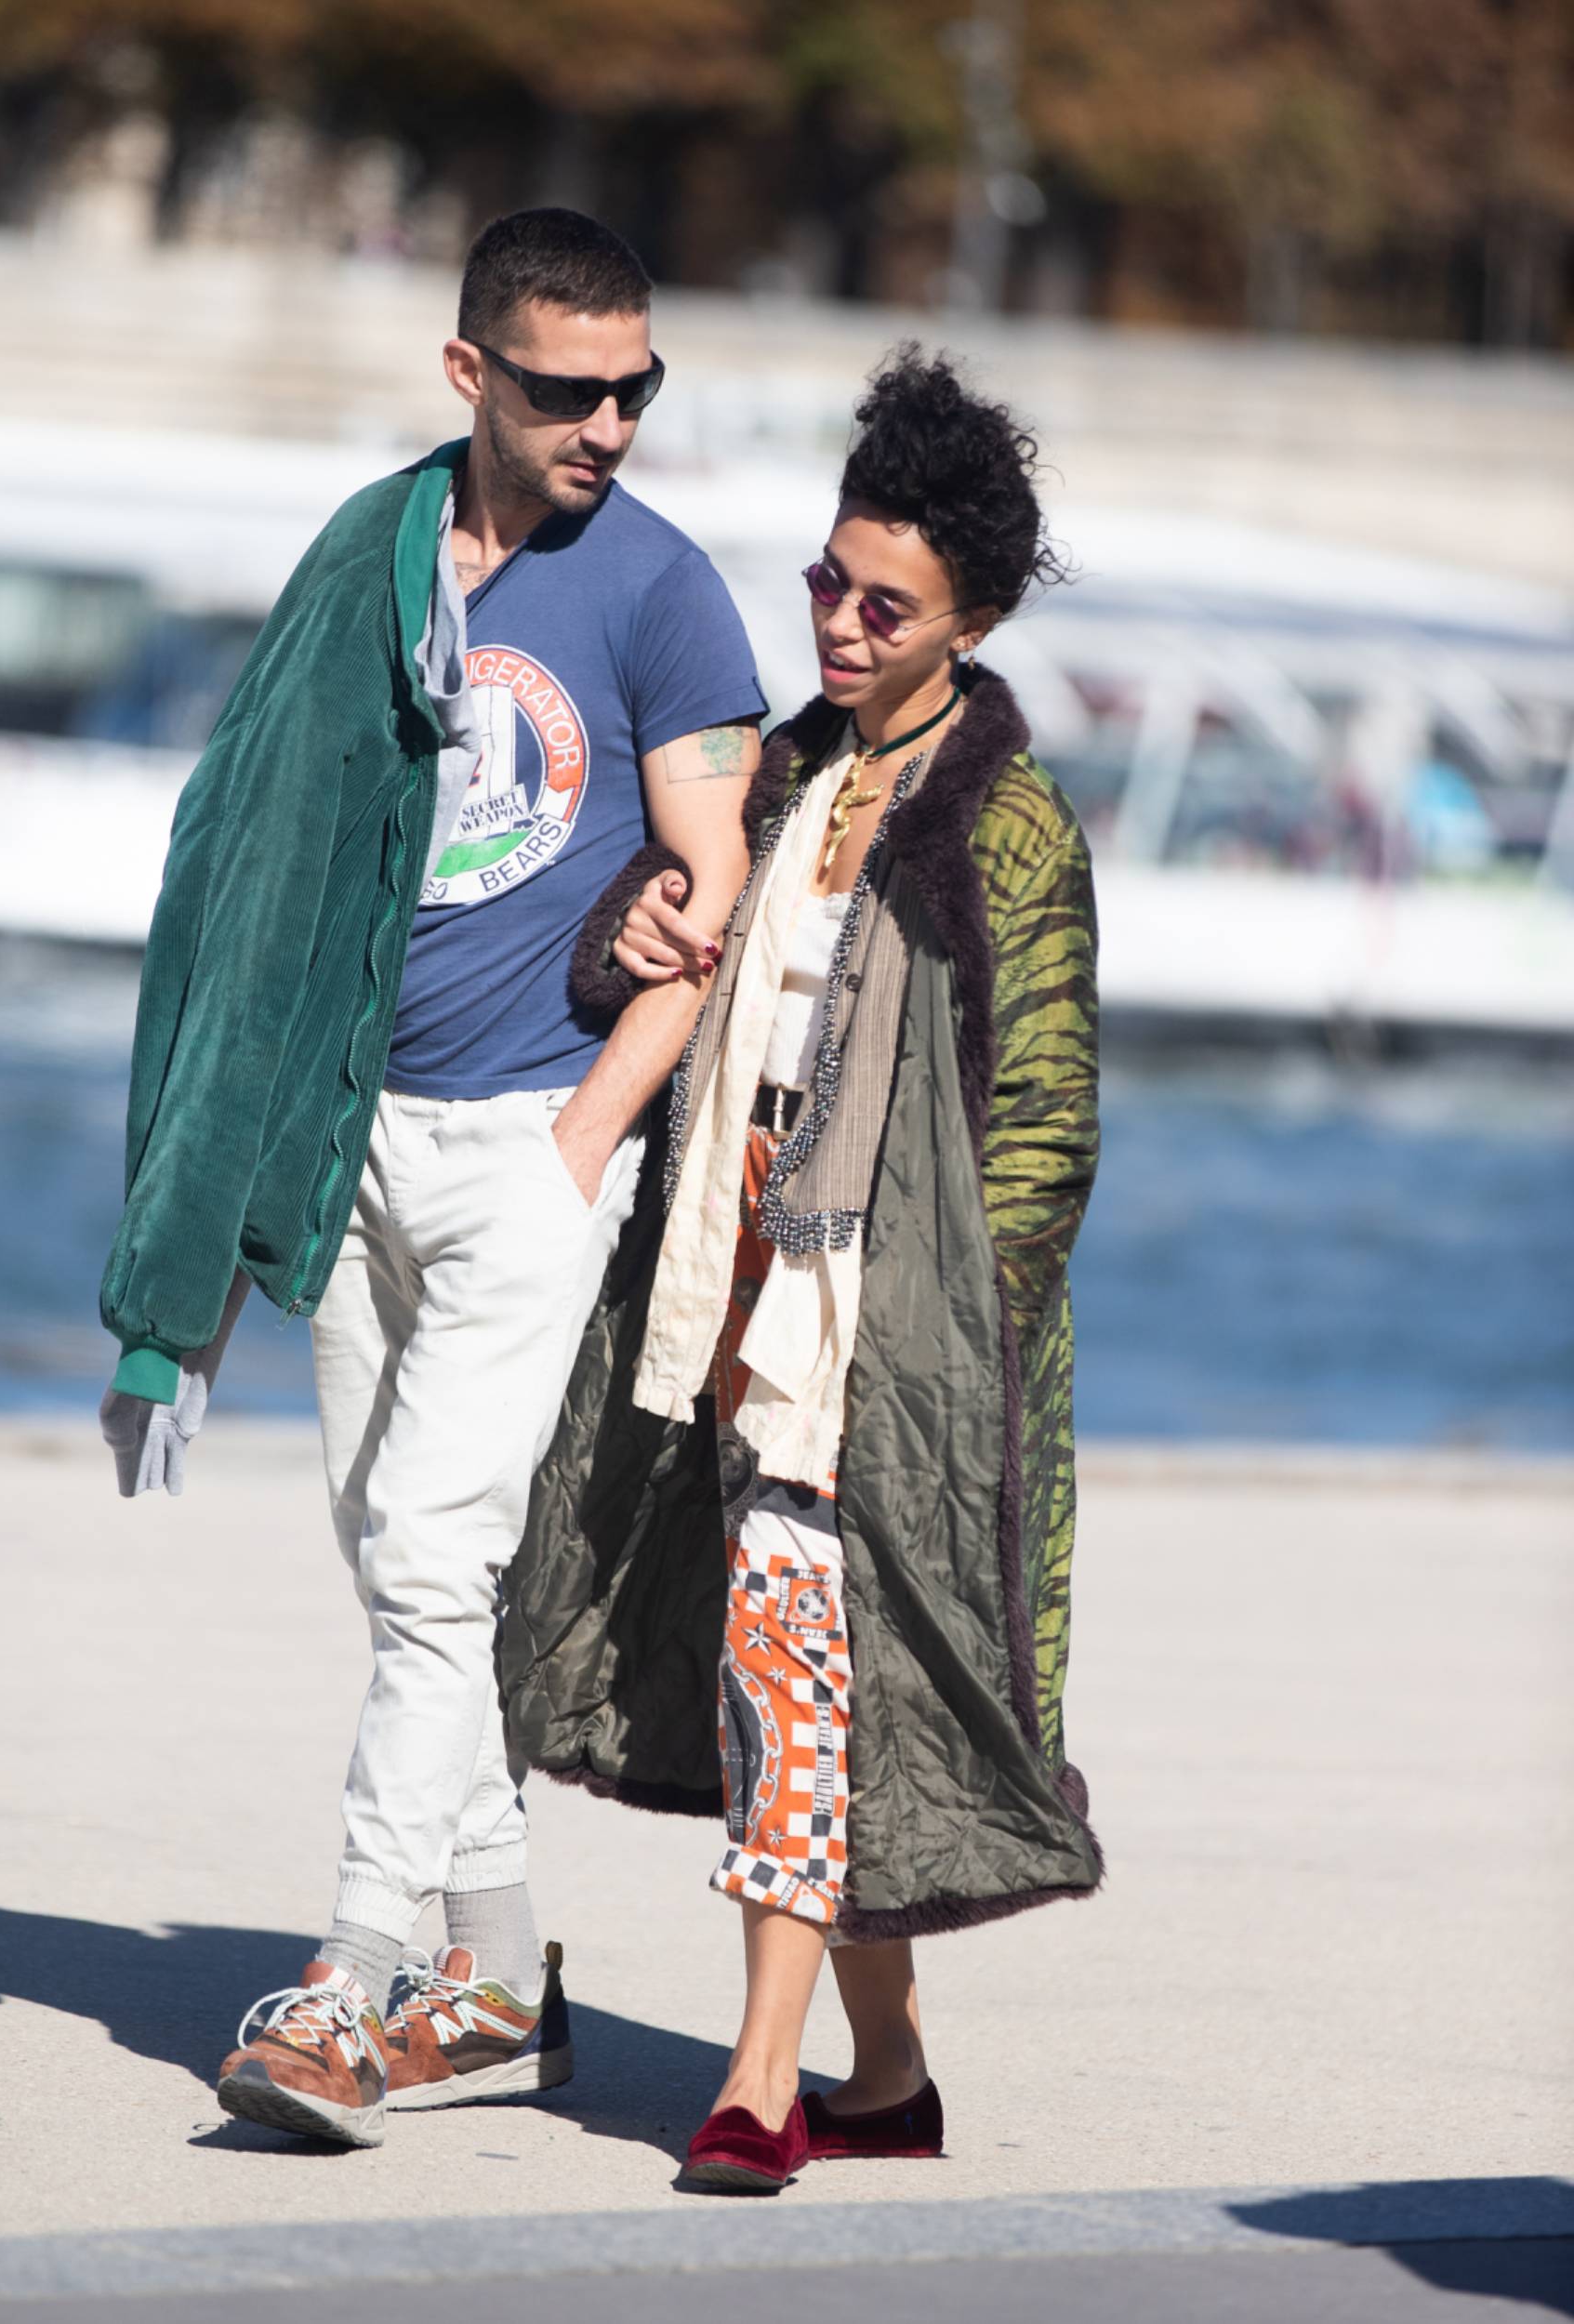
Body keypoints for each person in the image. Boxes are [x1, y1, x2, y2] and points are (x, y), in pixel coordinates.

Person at [95, 208, 765, 2149]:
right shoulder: (366, 561)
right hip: (344, 1138)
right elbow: (249, 857)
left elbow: (704, 892)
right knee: (397, 1571)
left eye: (639, 386)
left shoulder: (660, 591)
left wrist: (584, 1139)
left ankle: (352, 1977)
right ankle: (499, 1978)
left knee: (434, 1549)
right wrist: (205, 1205)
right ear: (471, 374)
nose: (612, 425)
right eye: (570, 388)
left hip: (526, 1149)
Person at [501, 344, 1104, 2192]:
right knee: (820, 1691)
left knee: (793, 1671)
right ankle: (885, 2069)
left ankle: (760, 2079)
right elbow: (652, 968)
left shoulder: (1007, 827)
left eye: (884, 602)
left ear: (973, 617)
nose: (838, 619)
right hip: (727, 1292)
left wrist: (930, 1338)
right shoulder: (782, 767)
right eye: (826, 583)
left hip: (885, 1343)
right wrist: (633, 922)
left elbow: (1044, 1140)